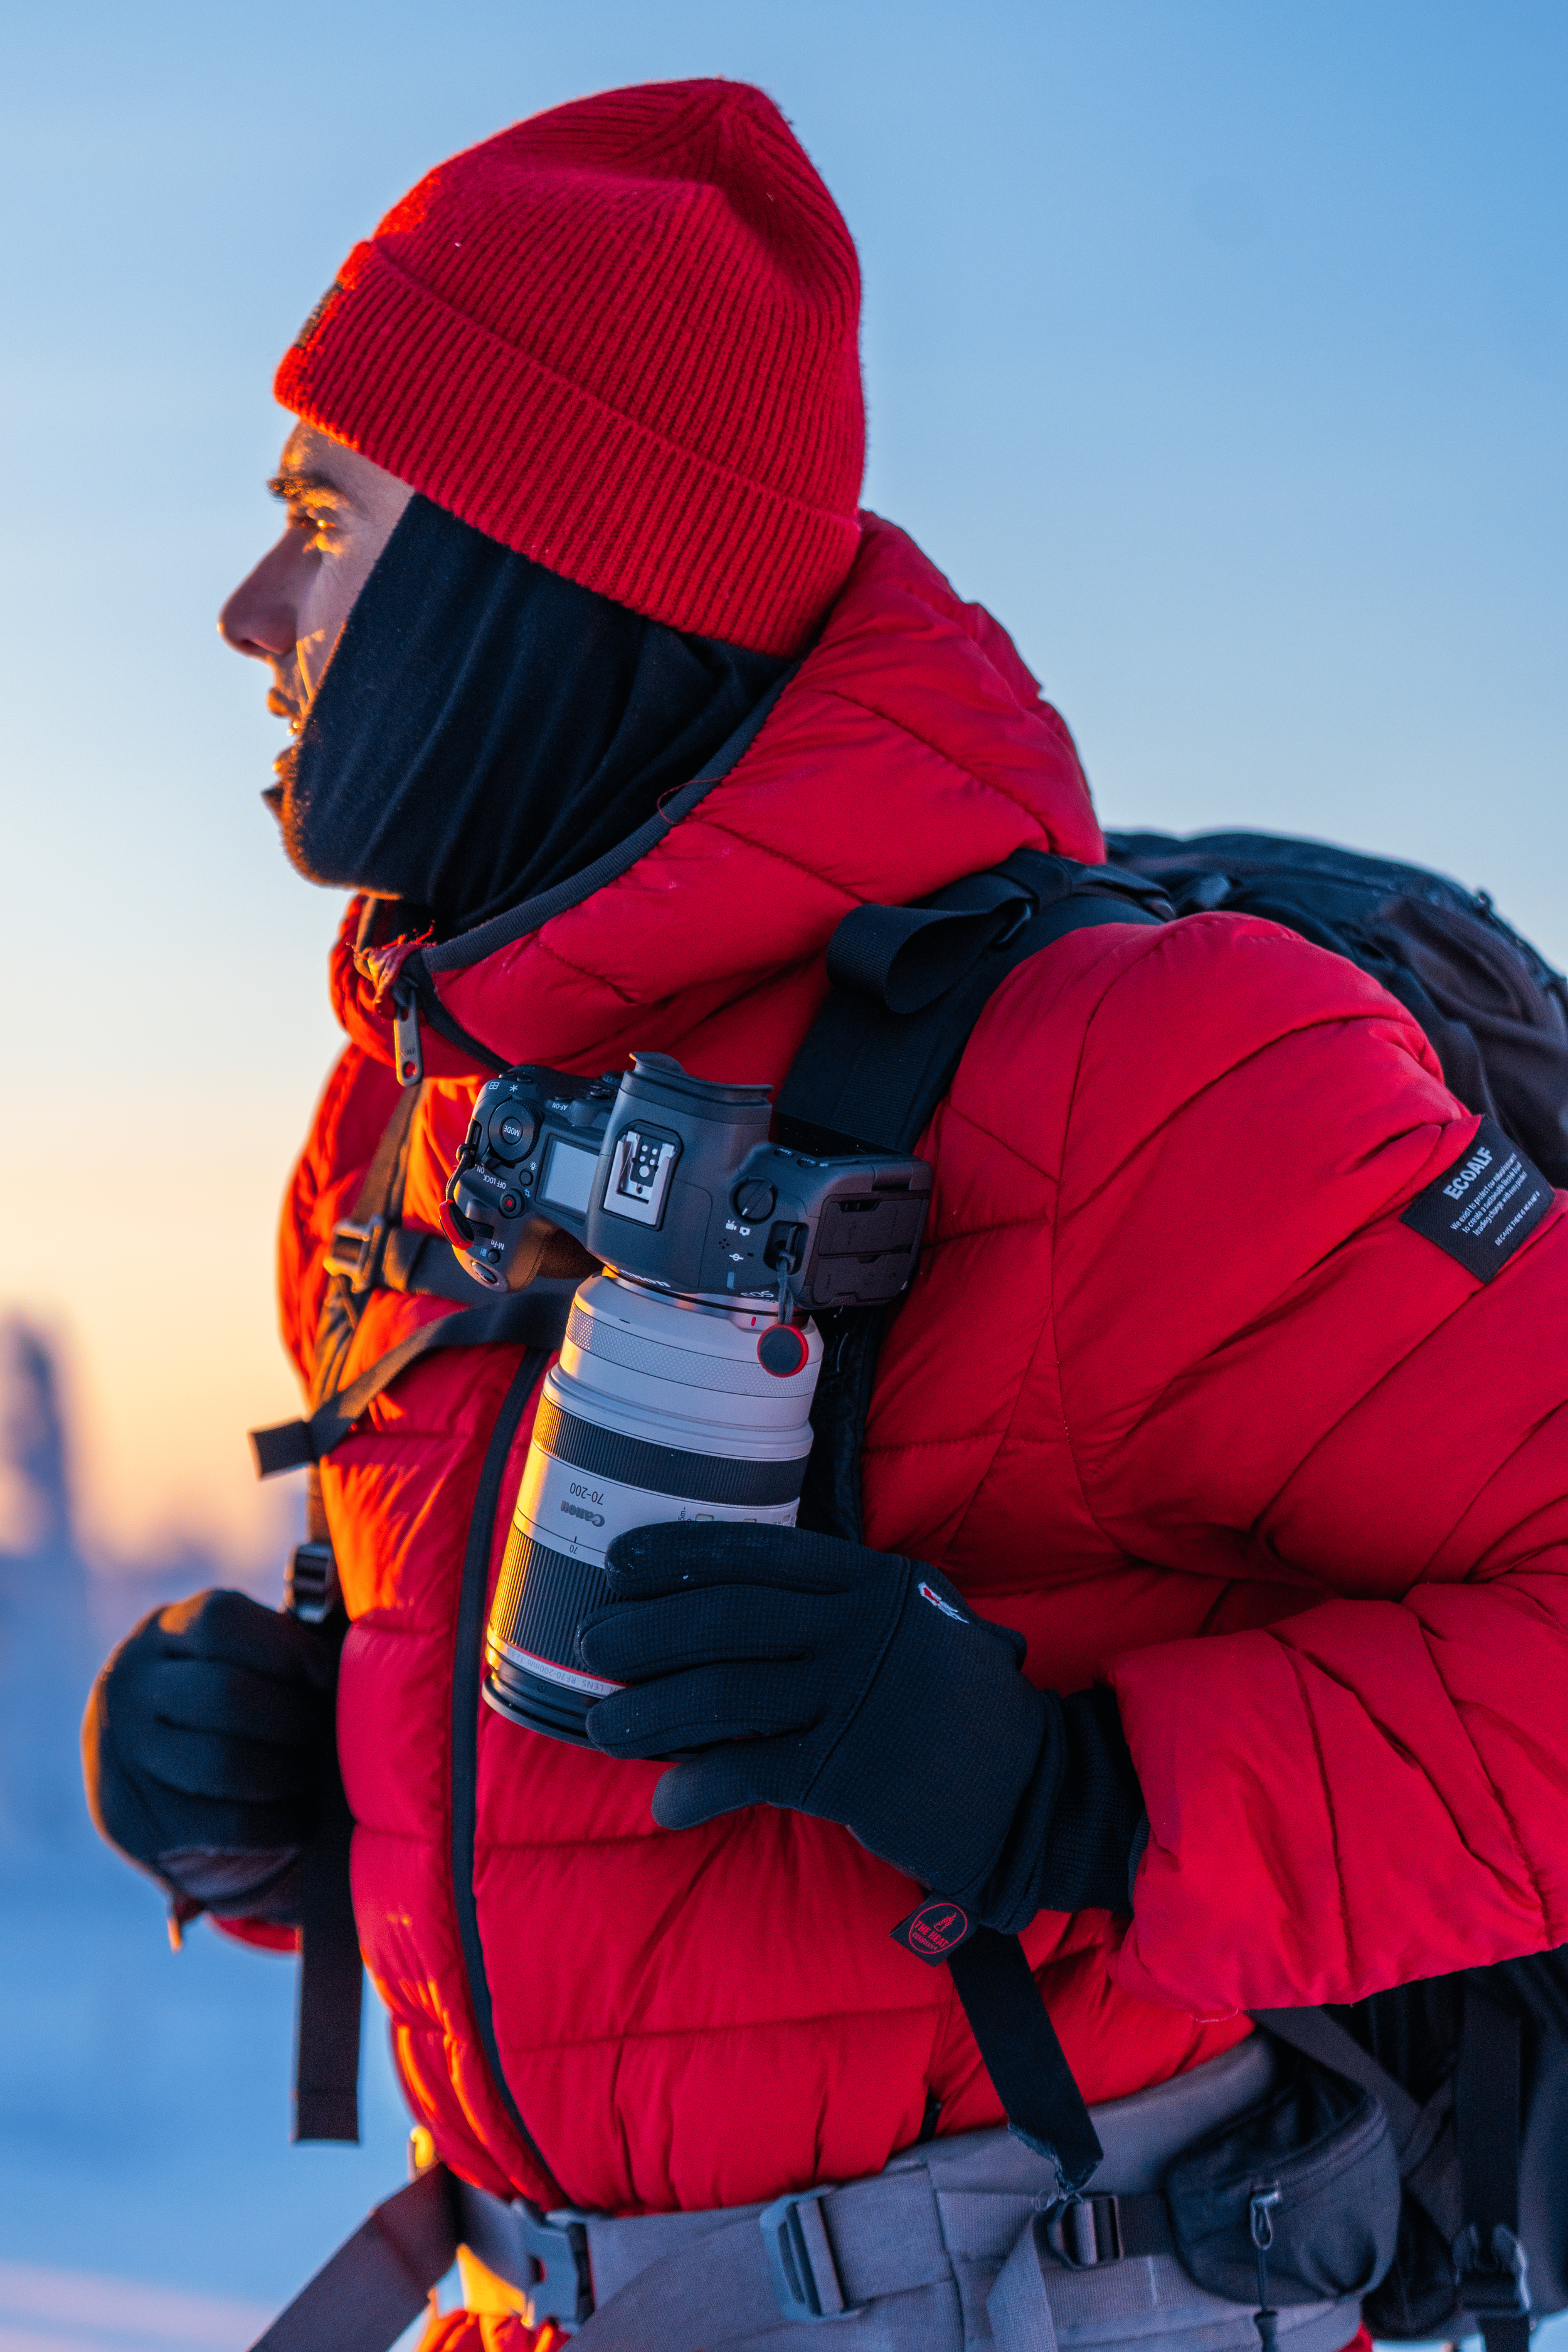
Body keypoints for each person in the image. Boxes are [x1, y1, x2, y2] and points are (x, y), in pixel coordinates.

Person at [82, 77, 1568, 2352]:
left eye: (322, 517)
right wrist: (310, 1802)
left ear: (528, 574)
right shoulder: (399, 1136)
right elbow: (654, 1901)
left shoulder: (1134, 1072)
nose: (247, 605)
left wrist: (1078, 1797)